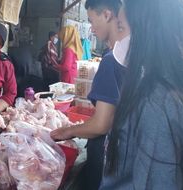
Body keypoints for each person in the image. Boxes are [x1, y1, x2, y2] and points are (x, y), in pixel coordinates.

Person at [100, 0, 183, 189]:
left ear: (146, 30)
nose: (117, 38)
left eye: (120, 27)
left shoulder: (157, 103)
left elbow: (157, 180)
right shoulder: (155, 88)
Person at [50, 0, 126, 189]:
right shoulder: (133, 55)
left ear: (107, 15)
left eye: (92, 21)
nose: (91, 29)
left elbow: (101, 124)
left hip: (107, 155)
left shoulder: (111, 61)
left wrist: (67, 131)